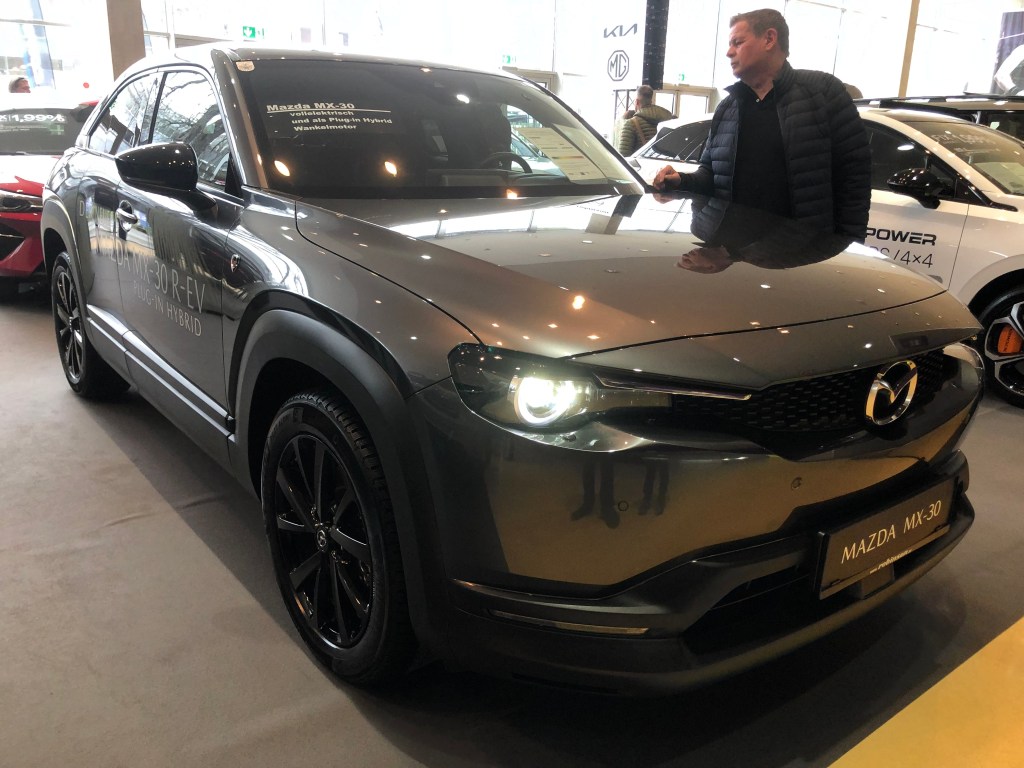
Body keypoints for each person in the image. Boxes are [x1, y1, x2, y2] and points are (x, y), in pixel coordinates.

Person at [652, 8, 871, 241]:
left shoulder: (823, 92)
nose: (728, 52)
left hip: (798, 252)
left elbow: (855, 175)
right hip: (731, 249)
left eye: (737, 42)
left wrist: (848, 245)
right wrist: (682, 181)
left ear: (769, 39)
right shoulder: (728, 108)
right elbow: (710, 174)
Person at [617, 84, 675, 156]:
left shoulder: (631, 124)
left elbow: (623, 156)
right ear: (651, 101)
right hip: (665, 163)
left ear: (637, 102)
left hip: (640, 163)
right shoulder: (669, 121)